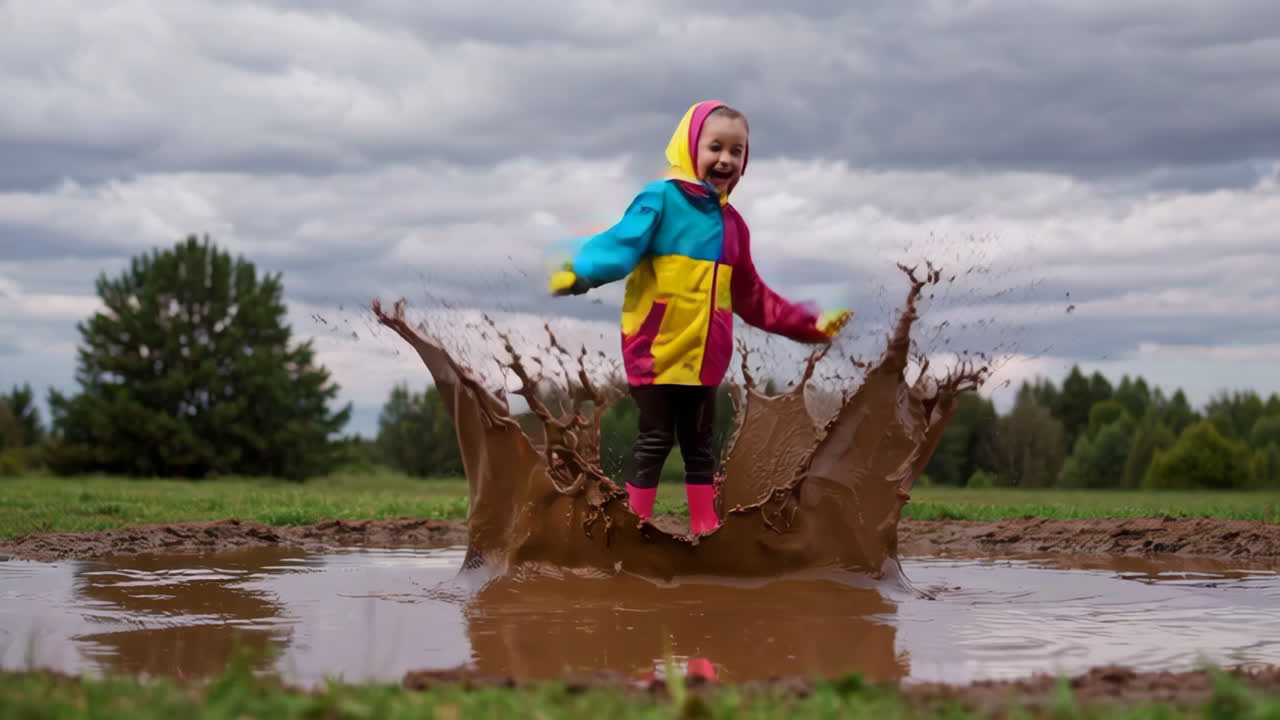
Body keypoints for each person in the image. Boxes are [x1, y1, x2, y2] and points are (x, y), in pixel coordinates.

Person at [549, 99, 850, 535]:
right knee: (654, 440)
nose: (725, 158)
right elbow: (618, 247)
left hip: (705, 359)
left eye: (737, 150)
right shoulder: (662, 200)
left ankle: (705, 528)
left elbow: (754, 298)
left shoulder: (734, 228)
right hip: (655, 350)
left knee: (699, 446)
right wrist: (576, 271)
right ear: (691, 148)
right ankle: (636, 527)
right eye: (715, 147)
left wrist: (812, 324)